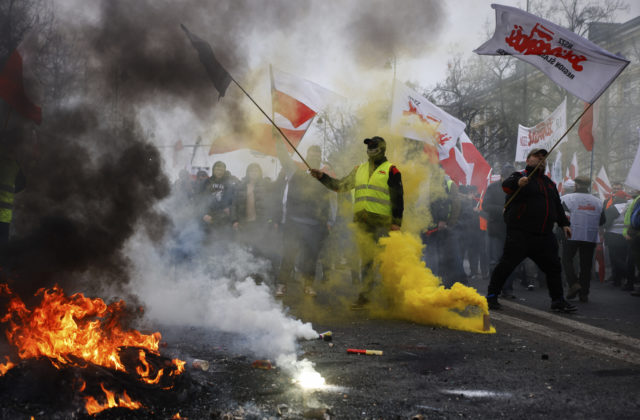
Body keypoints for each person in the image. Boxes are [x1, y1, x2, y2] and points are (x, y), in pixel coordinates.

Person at [311, 136, 403, 308]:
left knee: (385, 261)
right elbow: (340, 186)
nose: (369, 149)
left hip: (383, 223)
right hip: (363, 223)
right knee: (366, 260)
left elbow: (398, 198)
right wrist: (322, 177)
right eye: (368, 146)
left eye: (373, 146)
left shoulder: (391, 170)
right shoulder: (358, 169)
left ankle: (390, 297)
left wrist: (396, 223)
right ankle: (365, 296)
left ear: (382, 149)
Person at [486, 148, 576, 313]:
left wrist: (564, 223)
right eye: (538, 157)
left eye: (544, 158)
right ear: (528, 160)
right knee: (506, 265)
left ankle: (558, 300)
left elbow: (556, 205)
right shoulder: (519, 175)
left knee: (554, 267)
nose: (542, 160)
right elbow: (507, 185)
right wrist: (518, 183)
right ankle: (492, 296)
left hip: (544, 235)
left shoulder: (549, 184)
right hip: (521, 234)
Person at [275, 142, 332, 297]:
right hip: (294, 222)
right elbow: (284, 158)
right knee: (289, 254)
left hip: (314, 224)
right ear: (307, 155)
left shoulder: (323, 177)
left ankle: (308, 285)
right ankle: (282, 284)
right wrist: (278, 141)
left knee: (311, 257)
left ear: (320, 157)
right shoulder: (295, 171)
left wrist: (328, 221)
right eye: (312, 152)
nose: (315, 155)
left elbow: (328, 201)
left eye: (317, 153)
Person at [560, 176, 605, 302]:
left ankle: (574, 283)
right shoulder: (598, 201)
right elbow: (603, 220)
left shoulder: (566, 198)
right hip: (590, 236)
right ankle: (584, 293)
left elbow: (560, 217)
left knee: (567, 259)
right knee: (586, 264)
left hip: (571, 234)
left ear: (576, 185)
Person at [483, 164, 519, 297]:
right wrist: (501, 209)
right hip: (496, 230)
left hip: (512, 230)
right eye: (508, 178)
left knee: (510, 260)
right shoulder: (492, 188)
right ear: (502, 177)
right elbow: (485, 206)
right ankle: (494, 289)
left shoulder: (517, 189)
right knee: (495, 261)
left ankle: (508, 289)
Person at [420, 176, 463, 288]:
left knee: (436, 252)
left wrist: (447, 222)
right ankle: (441, 280)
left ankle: (449, 281)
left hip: (443, 225)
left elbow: (452, 204)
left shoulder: (445, 183)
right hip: (431, 224)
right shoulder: (426, 183)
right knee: (435, 252)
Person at [0, 137, 26, 246]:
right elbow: (23, 184)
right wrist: (12, 192)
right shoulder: (16, 166)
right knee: (3, 242)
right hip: (6, 214)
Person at [199, 161, 234, 237]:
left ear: (224, 171)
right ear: (213, 170)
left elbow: (233, 200)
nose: (219, 172)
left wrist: (229, 208)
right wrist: (204, 214)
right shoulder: (206, 182)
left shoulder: (228, 184)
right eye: (217, 169)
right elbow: (199, 200)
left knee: (221, 240)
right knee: (208, 240)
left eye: (221, 170)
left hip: (222, 217)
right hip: (208, 215)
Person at [623, 192, 640, 296]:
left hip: (636, 234)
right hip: (633, 234)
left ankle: (632, 284)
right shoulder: (636, 199)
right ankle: (631, 284)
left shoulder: (638, 199)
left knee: (634, 261)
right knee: (632, 261)